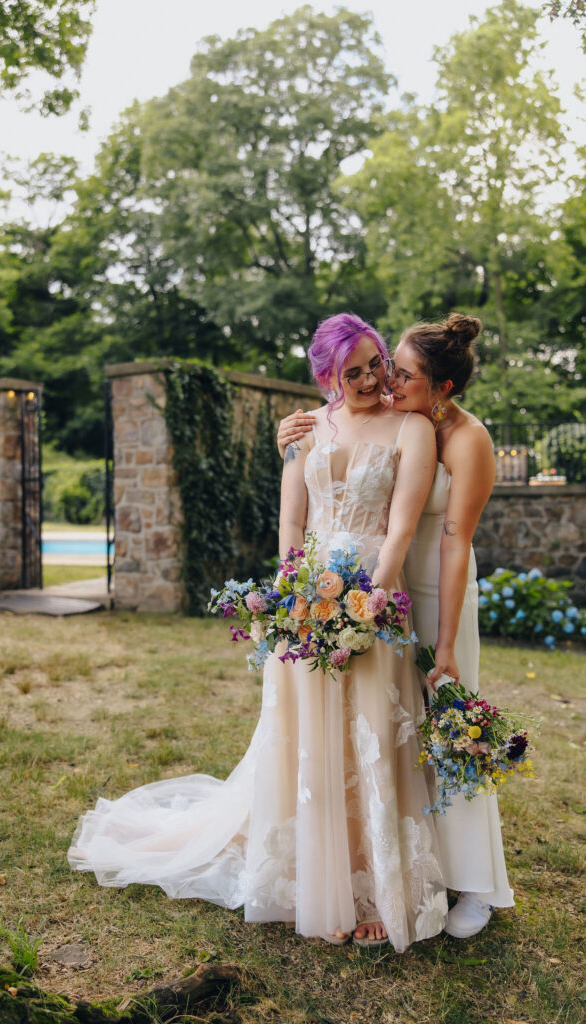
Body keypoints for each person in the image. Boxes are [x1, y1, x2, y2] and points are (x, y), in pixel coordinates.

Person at [68, 313, 449, 951]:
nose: (363, 380)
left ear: (385, 359)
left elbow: (401, 529)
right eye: (346, 372)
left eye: (373, 365)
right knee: (308, 739)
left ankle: (371, 884)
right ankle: (313, 879)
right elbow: (291, 523)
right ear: (326, 375)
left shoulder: (413, 427)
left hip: (376, 596)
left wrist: (371, 605)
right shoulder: (306, 428)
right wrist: (292, 597)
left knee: (371, 735)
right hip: (304, 604)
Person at [276, 312, 514, 939]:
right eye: (387, 367)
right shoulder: (400, 420)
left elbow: (457, 540)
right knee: (402, 740)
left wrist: (444, 640)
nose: (387, 381)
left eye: (400, 373)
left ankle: (480, 885)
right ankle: (409, 861)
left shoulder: (465, 438)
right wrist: (292, 433)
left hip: (440, 591)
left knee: (448, 727)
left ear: (442, 389)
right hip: (382, 584)